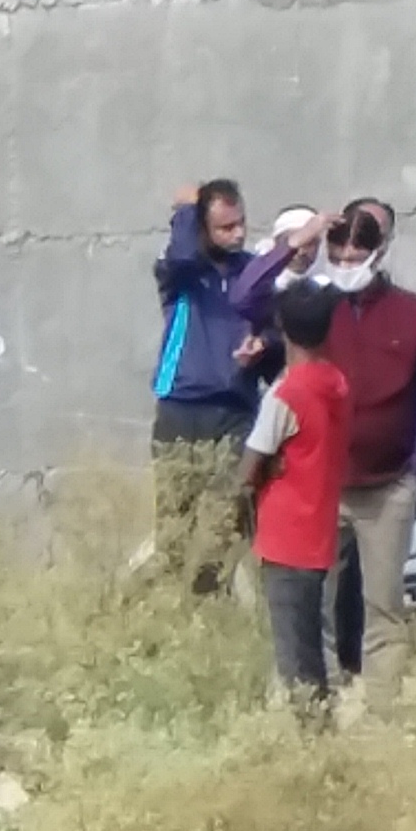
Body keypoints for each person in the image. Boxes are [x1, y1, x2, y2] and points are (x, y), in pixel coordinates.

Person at [312, 198, 416, 651]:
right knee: (314, 604)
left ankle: (383, 713)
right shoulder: (313, 309)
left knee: (383, 607)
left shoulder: (411, 313)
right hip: (323, 482)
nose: (346, 267)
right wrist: (302, 237)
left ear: (379, 253)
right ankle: (314, 706)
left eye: (355, 258)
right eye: (337, 258)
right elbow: (251, 297)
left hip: (388, 488)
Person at [242, 280, 358, 715]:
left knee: (294, 653)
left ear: (281, 327)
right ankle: (319, 724)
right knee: (312, 642)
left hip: (285, 534)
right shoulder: (336, 382)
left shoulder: (287, 393)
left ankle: (312, 735)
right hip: (320, 528)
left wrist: (257, 476)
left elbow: (249, 466)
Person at [150, 180, 265, 594]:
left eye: (240, 224)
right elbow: (179, 255)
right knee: (175, 522)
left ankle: (208, 602)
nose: (236, 235)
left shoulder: (253, 272)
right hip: (180, 406)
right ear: (202, 228)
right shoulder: (180, 271)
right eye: (223, 227)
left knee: (224, 520)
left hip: (234, 408)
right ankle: (168, 606)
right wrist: (184, 210)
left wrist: (262, 344)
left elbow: (275, 329)